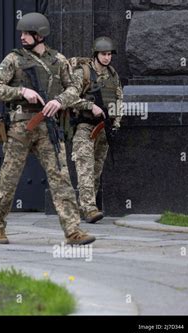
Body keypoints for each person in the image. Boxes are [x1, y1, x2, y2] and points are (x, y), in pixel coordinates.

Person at [0, 12, 95, 245]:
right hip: (20, 128)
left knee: (61, 178)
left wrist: (60, 101)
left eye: (27, 33)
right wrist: (21, 92)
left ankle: (73, 231)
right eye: (22, 33)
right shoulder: (14, 59)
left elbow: (74, 88)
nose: (23, 37)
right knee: (9, 178)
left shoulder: (58, 60)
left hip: (49, 127)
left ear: (40, 35)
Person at [69, 37, 123, 223]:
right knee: (85, 168)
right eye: (103, 54)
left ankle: (86, 207)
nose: (107, 58)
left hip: (104, 128)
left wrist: (115, 124)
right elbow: (69, 98)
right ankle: (90, 209)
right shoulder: (82, 73)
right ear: (96, 54)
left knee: (96, 171)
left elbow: (118, 100)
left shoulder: (113, 75)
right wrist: (89, 106)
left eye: (109, 54)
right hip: (85, 127)